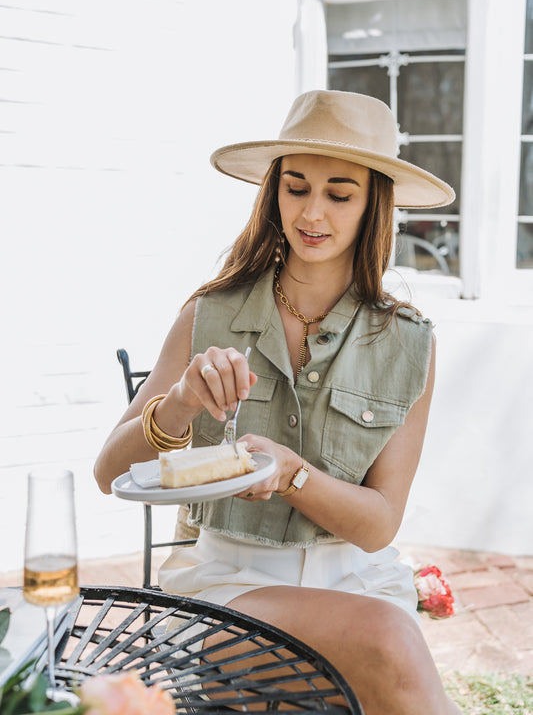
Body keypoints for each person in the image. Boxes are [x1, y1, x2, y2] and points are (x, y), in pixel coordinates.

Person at [95, 89, 462, 715]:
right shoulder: (207, 315)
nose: (311, 212)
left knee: (367, 659)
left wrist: (292, 475)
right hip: (229, 586)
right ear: (274, 193)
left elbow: (378, 525)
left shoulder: (409, 342)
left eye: (339, 194)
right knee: (386, 649)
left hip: (357, 583)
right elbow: (109, 473)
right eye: (295, 187)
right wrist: (181, 403)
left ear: (374, 201)